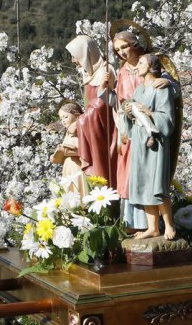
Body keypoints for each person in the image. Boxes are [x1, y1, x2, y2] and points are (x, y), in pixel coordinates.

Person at [119, 53, 180, 239]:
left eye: (141, 63)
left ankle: (169, 225)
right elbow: (130, 115)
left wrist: (149, 112)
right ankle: (152, 228)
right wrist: (128, 113)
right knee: (144, 183)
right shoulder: (138, 90)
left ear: (151, 65)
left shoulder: (160, 87)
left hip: (155, 142)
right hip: (139, 140)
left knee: (157, 184)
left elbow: (167, 118)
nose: (136, 66)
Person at [65, 34, 116, 188]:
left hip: (104, 129)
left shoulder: (105, 71)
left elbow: (102, 104)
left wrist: (80, 121)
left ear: (85, 54)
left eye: (76, 56)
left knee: (104, 169)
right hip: (93, 128)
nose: (74, 61)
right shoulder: (89, 73)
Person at [51, 102, 88, 195]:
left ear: (76, 115)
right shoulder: (68, 132)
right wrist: (56, 157)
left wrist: (66, 150)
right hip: (68, 167)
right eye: (61, 118)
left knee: (78, 191)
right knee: (69, 193)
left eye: (66, 117)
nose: (63, 120)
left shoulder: (78, 129)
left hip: (77, 166)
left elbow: (84, 147)